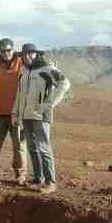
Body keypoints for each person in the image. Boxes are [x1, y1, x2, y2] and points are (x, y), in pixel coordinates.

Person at [12, 43, 71, 194]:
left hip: (41, 116)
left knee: (44, 148)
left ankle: (51, 182)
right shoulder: (24, 71)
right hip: (26, 116)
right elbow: (20, 94)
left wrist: (48, 105)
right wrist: (15, 113)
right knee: (32, 148)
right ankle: (39, 179)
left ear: (36, 54)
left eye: (30, 53)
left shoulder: (47, 69)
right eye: (24, 54)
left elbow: (65, 84)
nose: (27, 56)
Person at [0, 38, 28, 185]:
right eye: (3, 50)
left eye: (8, 50)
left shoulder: (23, 63)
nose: (6, 53)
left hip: (17, 114)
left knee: (19, 146)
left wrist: (51, 66)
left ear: (13, 49)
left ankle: (20, 173)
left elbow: (39, 65)